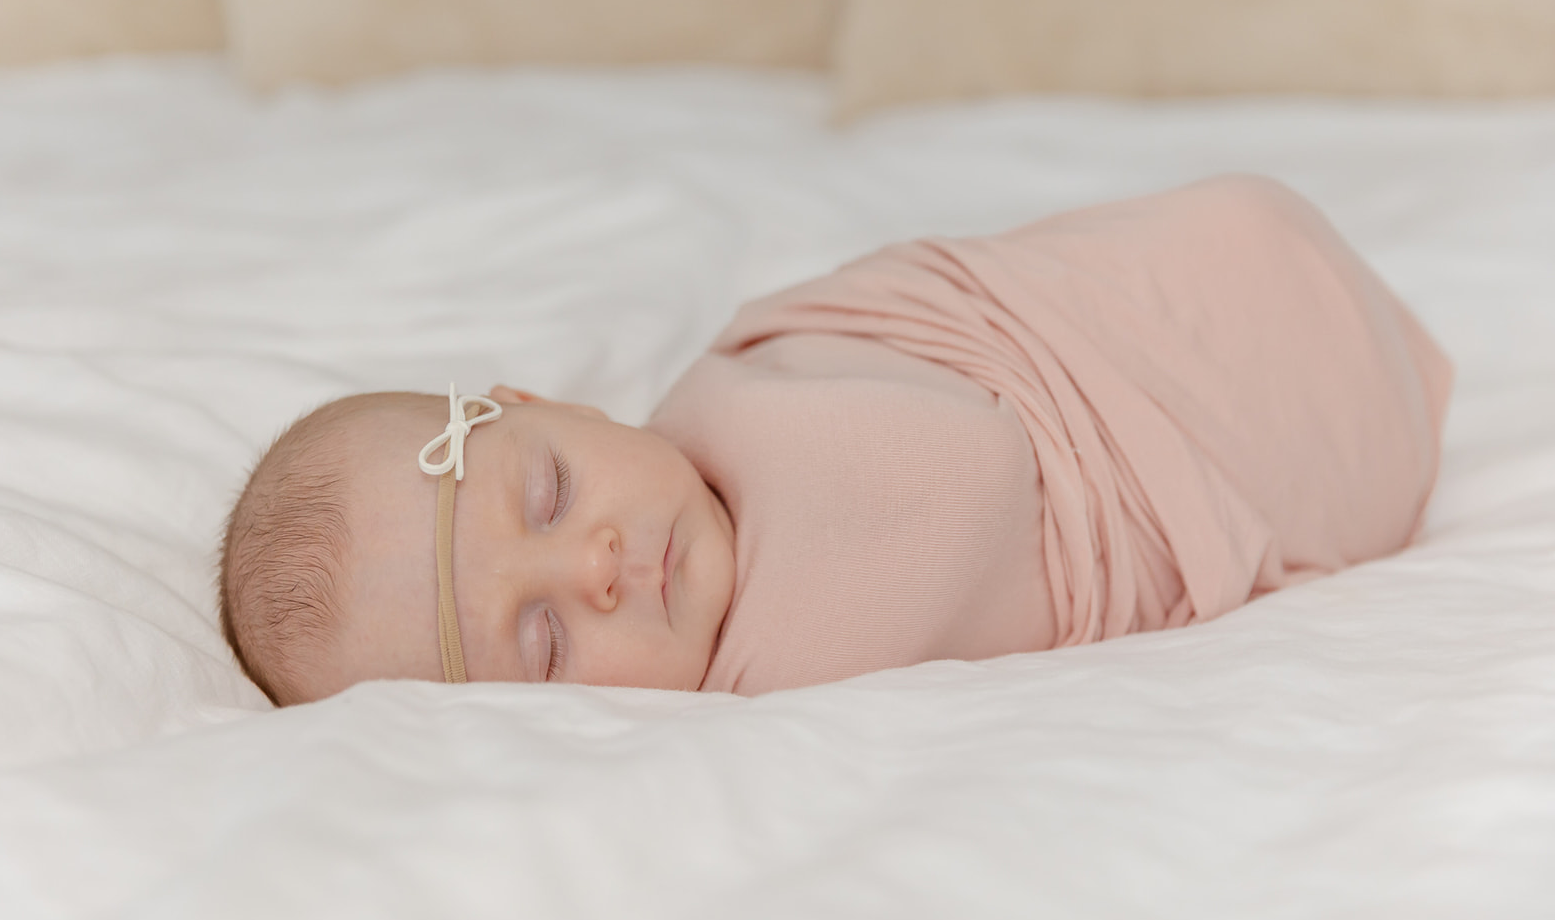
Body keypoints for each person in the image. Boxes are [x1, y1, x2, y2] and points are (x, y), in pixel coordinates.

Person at [219, 175, 1451, 705]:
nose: (593, 565)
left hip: (1119, 321)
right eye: (544, 641)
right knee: (1345, 439)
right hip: (1222, 441)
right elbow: (967, 487)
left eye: (545, 492)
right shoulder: (753, 689)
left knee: (1235, 235)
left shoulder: (744, 375)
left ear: (549, 403)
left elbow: (944, 326)